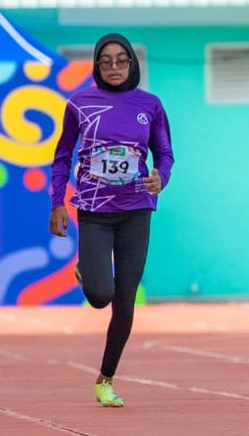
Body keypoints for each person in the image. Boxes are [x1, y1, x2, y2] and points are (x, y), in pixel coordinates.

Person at [50, 35, 174, 407]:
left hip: (137, 207)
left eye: (122, 61)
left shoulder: (150, 105)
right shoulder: (79, 103)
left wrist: (160, 178)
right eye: (107, 61)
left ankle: (106, 378)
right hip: (94, 210)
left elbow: (165, 153)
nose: (115, 67)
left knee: (125, 300)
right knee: (100, 296)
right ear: (97, 66)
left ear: (132, 65)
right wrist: (57, 202)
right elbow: (62, 156)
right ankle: (88, 268)